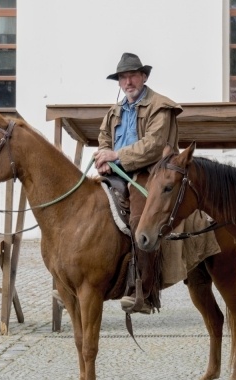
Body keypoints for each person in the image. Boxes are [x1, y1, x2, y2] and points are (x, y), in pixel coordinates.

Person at [94, 52, 219, 314]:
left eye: (132, 76)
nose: (128, 82)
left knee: (142, 221)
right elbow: (104, 137)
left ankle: (144, 291)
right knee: (88, 211)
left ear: (144, 77)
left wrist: (116, 155)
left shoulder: (160, 107)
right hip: (116, 172)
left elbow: (154, 145)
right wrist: (103, 156)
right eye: (123, 77)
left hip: (150, 173)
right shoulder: (114, 111)